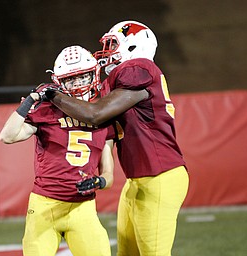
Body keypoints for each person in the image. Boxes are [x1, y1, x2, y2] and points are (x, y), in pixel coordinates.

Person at [47, 21, 189, 256]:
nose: (108, 52)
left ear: (134, 46)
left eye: (113, 45)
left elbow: (96, 114)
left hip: (160, 176)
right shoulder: (118, 85)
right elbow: (104, 132)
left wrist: (53, 96)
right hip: (138, 181)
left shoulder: (139, 68)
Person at [0, 45, 115, 256]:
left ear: (94, 74)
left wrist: (99, 182)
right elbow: (6, 136)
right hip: (45, 207)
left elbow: (108, 173)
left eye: (83, 76)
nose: (78, 84)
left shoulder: (104, 112)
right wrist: (31, 100)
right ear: (59, 82)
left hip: (83, 208)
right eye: (71, 79)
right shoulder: (47, 109)